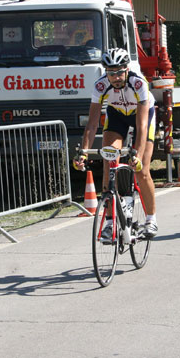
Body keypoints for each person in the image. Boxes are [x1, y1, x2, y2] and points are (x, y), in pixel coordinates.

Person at [73, 48, 158, 238]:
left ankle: (151, 220)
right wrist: (84, 152)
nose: (116, 77)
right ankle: (110, 222)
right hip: (117, 117)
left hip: (142, 116)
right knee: (108, 162)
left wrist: (136, 155)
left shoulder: (138, 83)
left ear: (127, 69)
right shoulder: (100, 86)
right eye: (111, 73)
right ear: (106, 73)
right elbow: (93, 123)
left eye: (120, 72)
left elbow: (142, 126)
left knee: (141, 171)